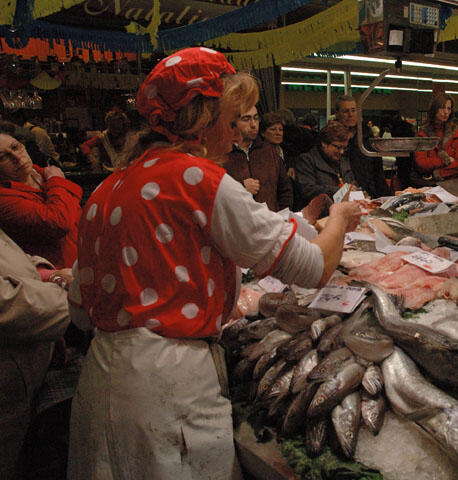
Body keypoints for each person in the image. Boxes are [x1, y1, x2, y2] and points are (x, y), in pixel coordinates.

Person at [66, 47, 361, 479]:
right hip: (172, 386)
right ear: (207, 116)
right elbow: (313, 267)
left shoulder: (108, 189)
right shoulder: (199, 179)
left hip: (100, 383)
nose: (240, 124)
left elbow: (78, 306)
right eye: (235, 112)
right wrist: (339, 219)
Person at [1, 227, 71, 480]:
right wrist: (73, 301)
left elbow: (11, 256)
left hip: (21, 383)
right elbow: (6, 303)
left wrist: (48, 274)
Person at [0, 125, 82, 268]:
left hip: (84, 263)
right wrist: (57, 181)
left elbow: (76, 204)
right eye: (2, 157)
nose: (17, 157)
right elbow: (58, 222)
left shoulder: (44, 174)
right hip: (54, 280)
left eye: (15, 147)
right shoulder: (3, 199)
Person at [222, 107, 293, 212]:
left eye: (256, 118)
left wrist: (282, 217)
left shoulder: (269, 151)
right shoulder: (221, 153)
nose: (253, 124)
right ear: (232, 122)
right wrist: (240, 188)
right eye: (246, 119)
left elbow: (285, 190)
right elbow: (212, 194)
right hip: (236, 223)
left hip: (270, 222)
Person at [335, 95, 391, 198]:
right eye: (346, 111)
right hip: (339, 195)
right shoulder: (330, 139)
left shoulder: (367, 138)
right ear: (337, 114)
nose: (350, 115)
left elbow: (377, 172)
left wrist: (385, 197)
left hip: (367, 194)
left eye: (353, 110)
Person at [295, 121, 355, 206]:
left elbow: (352, 182)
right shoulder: (307, 160)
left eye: (344, 148)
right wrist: (339, 190)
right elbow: (307, 190)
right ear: (324, 143)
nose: (341, 152)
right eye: (338, 147)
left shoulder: (343, 160)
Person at [412, 93, 458, 184]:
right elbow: (421, 163)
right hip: (426, 184)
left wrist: (438, 173)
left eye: (448, 108)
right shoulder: (422, 135)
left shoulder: (457, 135)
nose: (446, 112)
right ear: (434, 109)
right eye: (442, 107)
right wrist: (446, 160)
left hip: (451, 185)